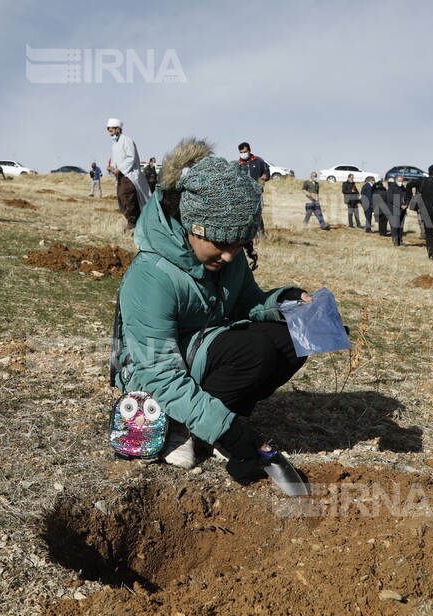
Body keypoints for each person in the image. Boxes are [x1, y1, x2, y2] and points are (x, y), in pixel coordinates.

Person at [110, 138, 309, 479]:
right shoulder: (152, 275)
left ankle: (212, 419)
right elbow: (157, 370)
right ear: (190, 225)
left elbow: (246, 301)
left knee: (294, 338)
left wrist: (284, 303)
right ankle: (178, 423)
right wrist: (232, 435)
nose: (230, 256)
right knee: (254, 350)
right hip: (151, 370)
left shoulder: (226, 256)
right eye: (220, 244)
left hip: (202, 346)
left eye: (239, 244)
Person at [106, 118, 150, 232]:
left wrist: (120, 169)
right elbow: (116, 162)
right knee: (122, 198)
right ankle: (134, 220)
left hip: (130, 175)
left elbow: (131, 158)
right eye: (109, 131)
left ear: (118, 129)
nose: (110, 134)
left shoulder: (127, 140)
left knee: (125, 195)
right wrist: (112, 169)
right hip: (121, 175)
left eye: (111, 131)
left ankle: (133, 221)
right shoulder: (114, 145)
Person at [409, 164, 433, 260]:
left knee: (429, 233)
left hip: (425, 211)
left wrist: (410, 196)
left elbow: (409, 185)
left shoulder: (422, 181)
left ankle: (431, 254)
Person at [385, 176, 409, 246]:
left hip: (403, 210)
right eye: (399, 181)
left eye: (402, 181)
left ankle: (400, 241)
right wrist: (399, 205)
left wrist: (406, 205)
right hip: (394, 210)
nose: (400, 182)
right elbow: (390, 199)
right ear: (396, 180)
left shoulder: (403, 189)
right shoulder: (391, 189)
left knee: (401, 227)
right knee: (395, 226)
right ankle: (395, 241)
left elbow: (407, 197)